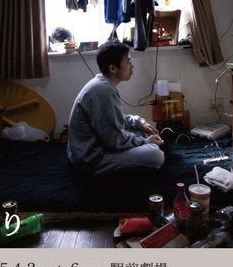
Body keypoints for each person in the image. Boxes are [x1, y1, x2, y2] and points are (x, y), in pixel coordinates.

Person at [67, 40, 165, 175]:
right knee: (155, 155)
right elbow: (114, 139)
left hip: (99, 144)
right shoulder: (103, 91)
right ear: (113, 68)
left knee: (140, 131)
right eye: (128, 62)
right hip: (91, 158)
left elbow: (115, 120)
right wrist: (145, 142)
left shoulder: (102, 83)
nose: (132, 66)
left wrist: (140, 123)